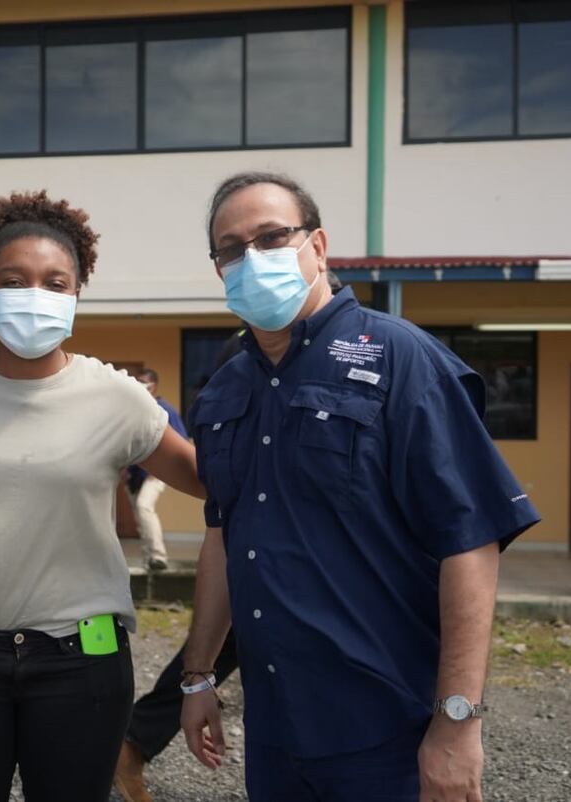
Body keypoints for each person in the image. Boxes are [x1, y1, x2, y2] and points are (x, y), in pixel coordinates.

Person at [179, 172, 540, 801]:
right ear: (218, 270)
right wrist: (197, 676)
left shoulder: (402, 358)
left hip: (388, 735)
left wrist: (457, 724)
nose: (251, 259)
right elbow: (222, 537)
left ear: (318, 248)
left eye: (271, 237)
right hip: (274, 731)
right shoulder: (224, 391)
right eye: (231, 249)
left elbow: (471, 542)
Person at [0, 190, 205, 802]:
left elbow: (209, 481)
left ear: (77, 294)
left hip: (81, 660)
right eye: (15, 279)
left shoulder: (116, 396)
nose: (36, 294)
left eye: (55, 282)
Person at [115, 272, 347, 802]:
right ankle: (129, 744)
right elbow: (222, 470)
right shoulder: (238, 360)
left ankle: (130, 743)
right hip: (262, 549)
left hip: (332, 563)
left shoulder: (365, 354)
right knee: (220, 649)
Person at [126, 368, 189, 571]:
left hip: (156, 473)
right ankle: (149, 560)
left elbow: (181, 441)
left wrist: (162, 470)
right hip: (135, 474)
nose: (141, 385)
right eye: (138, 381)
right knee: (140, 514)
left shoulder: (165, 409)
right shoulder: (135, 408)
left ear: (154, 385)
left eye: (144, 381)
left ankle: (158, 556)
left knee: (145, 506)